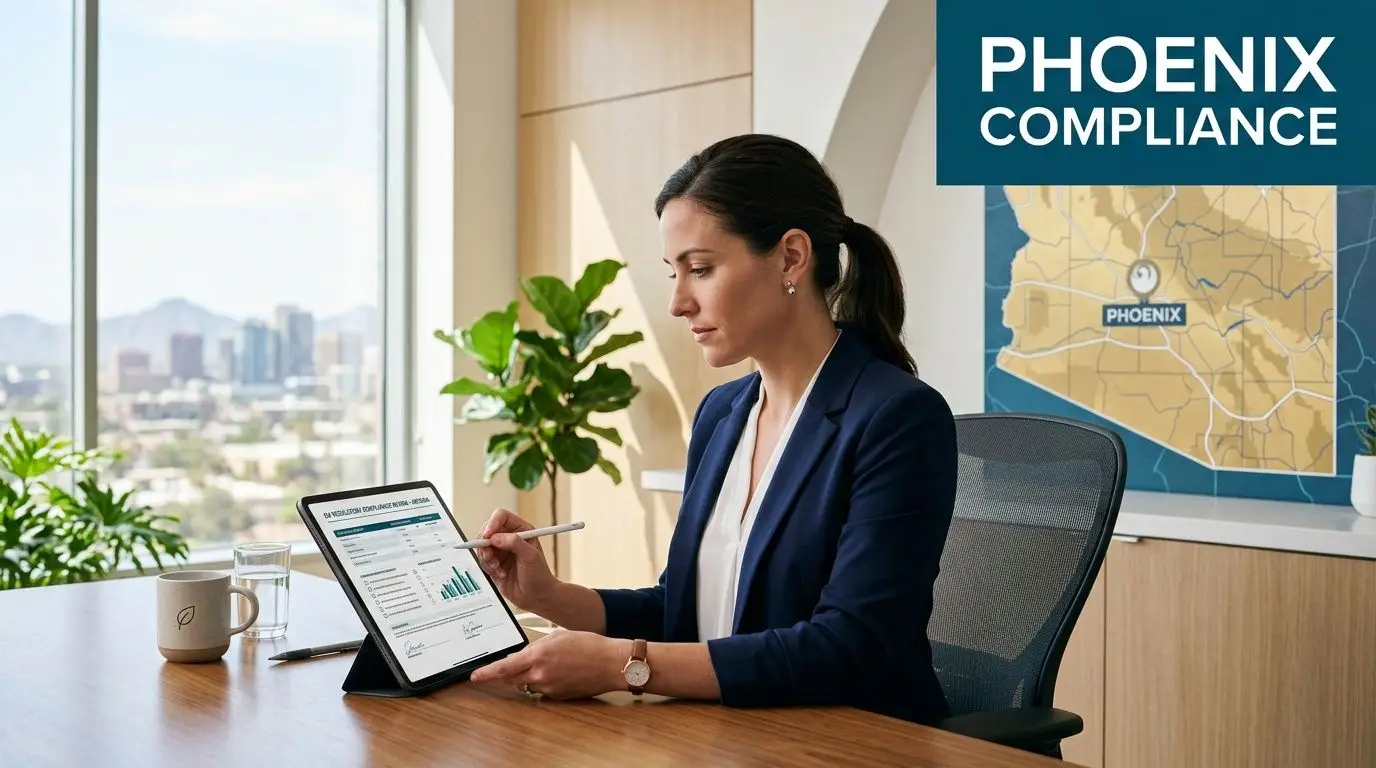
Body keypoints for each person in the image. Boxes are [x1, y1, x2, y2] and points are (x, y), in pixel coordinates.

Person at [469, 133, 958, 726]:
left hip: (854, 742)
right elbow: (687, 610)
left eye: (700, 269)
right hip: (731, 735)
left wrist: (624, 665)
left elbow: (849, 646)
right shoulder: (722, 414)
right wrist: (549, 596)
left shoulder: (897, 418)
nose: (678, 302)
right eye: (674, 273)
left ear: (791, 258)